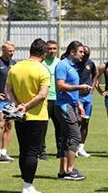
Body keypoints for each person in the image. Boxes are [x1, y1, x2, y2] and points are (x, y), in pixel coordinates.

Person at [5, 39, 51, 193]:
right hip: (37, 116)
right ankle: (28, 186)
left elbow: (8, 90)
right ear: (44, 53)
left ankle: (26, 183)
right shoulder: (43, 70)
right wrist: (26, 106)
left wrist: (17, 104)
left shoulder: (15, 67)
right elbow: (42, 95)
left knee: (23, 150)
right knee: (32, 152)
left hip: (19, 116)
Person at [54, 41, 90, 181]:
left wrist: (79, 104)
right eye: (80, 51)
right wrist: (80, 87)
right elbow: (61, 85)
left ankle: (63, 171)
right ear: (72, 52)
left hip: (72, 105)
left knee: (66, 138)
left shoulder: (72, 66)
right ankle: (70, 171)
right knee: (75, 136)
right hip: (64, 106)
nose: (83, 54)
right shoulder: (63, 65)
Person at [74, 45, 96, 158]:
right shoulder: (75, 63)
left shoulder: (91, 64)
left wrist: (92, 86)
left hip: (88, 97)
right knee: (77, 120)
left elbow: (96, 75)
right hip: (77, 95)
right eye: (84, 53)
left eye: (87, 54)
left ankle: (81, 147)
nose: (85, 56)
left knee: (86, 121)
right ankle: (74, 147)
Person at [40, 40, 60, 161]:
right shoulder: (41, 63)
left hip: (58, 99)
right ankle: (41, 151)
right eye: (49, 49)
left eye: (54, 48)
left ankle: (60, 150)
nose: (52, 51)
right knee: (42, 127)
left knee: (60, 127)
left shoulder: (60, 63)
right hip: (45, 99)